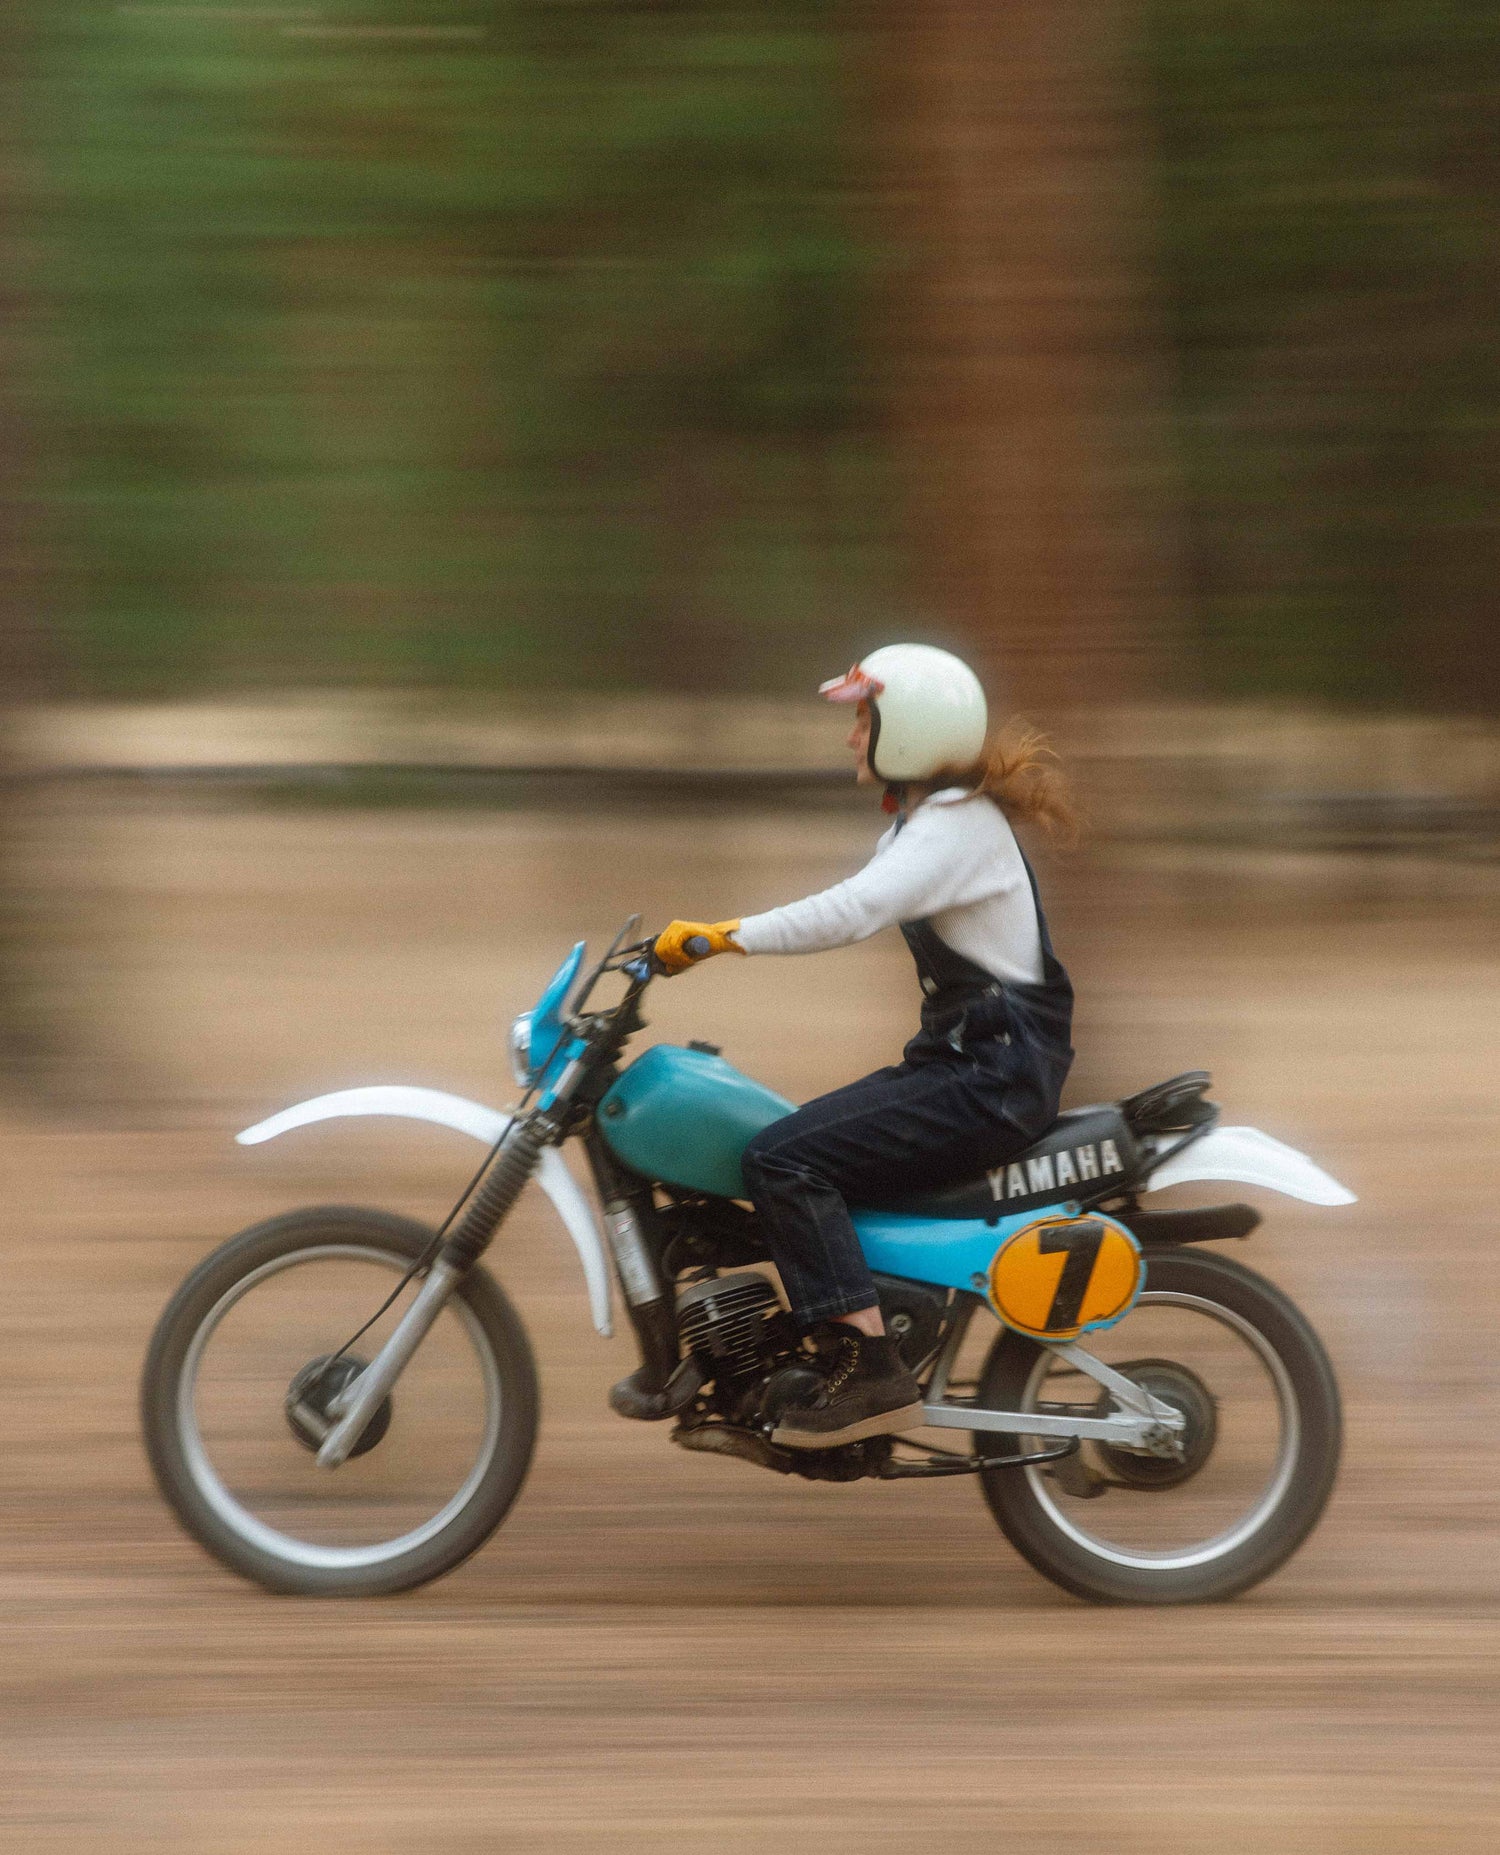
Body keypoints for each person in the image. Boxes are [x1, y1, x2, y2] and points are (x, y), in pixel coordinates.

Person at [652, 643, 1078, 1450]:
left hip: (992, 1074)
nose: (852, 737)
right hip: (970, 1064)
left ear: (908, 730)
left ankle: (871, 1366)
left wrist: (721, 938)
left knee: (784, 1159)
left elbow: (850, 911)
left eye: (862, 718)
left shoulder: (956, 828)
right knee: (798, 1144)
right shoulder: (931, 824)